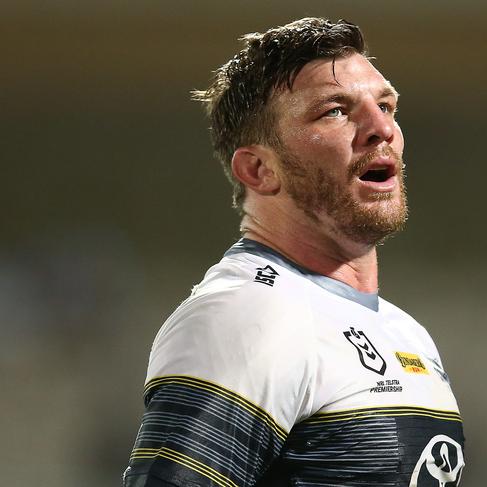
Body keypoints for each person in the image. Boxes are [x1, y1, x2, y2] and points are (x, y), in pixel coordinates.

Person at [124, 17, 465, 487]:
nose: (381, 127)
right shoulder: (250, 314)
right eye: (335, 111)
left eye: (386, 105)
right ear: (260, 170)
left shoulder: (405, 332)